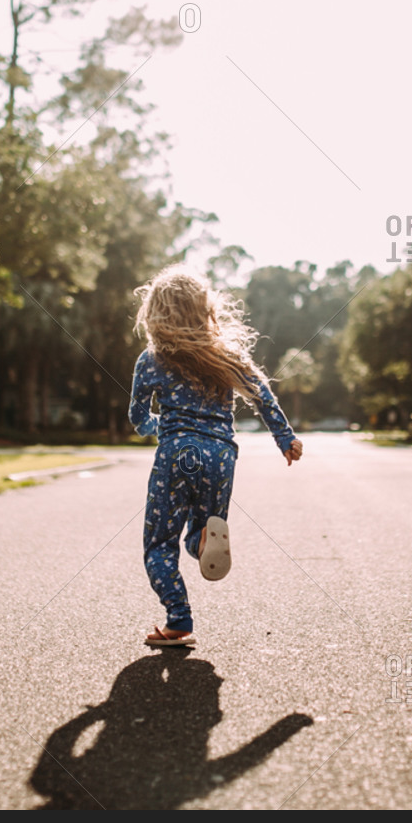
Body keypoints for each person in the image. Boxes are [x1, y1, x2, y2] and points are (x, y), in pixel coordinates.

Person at [129, 266, 303, 648]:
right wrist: (284, 438)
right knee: (201, 527)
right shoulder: (227, 354)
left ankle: (178, 618)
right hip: (222, 456)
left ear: (155, 313)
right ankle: (204, 538)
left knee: (159, 544)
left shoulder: (151, 360)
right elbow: (262, 396)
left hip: (176, 453)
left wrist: (162, 428)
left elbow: (138, 418)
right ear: (205, 310)